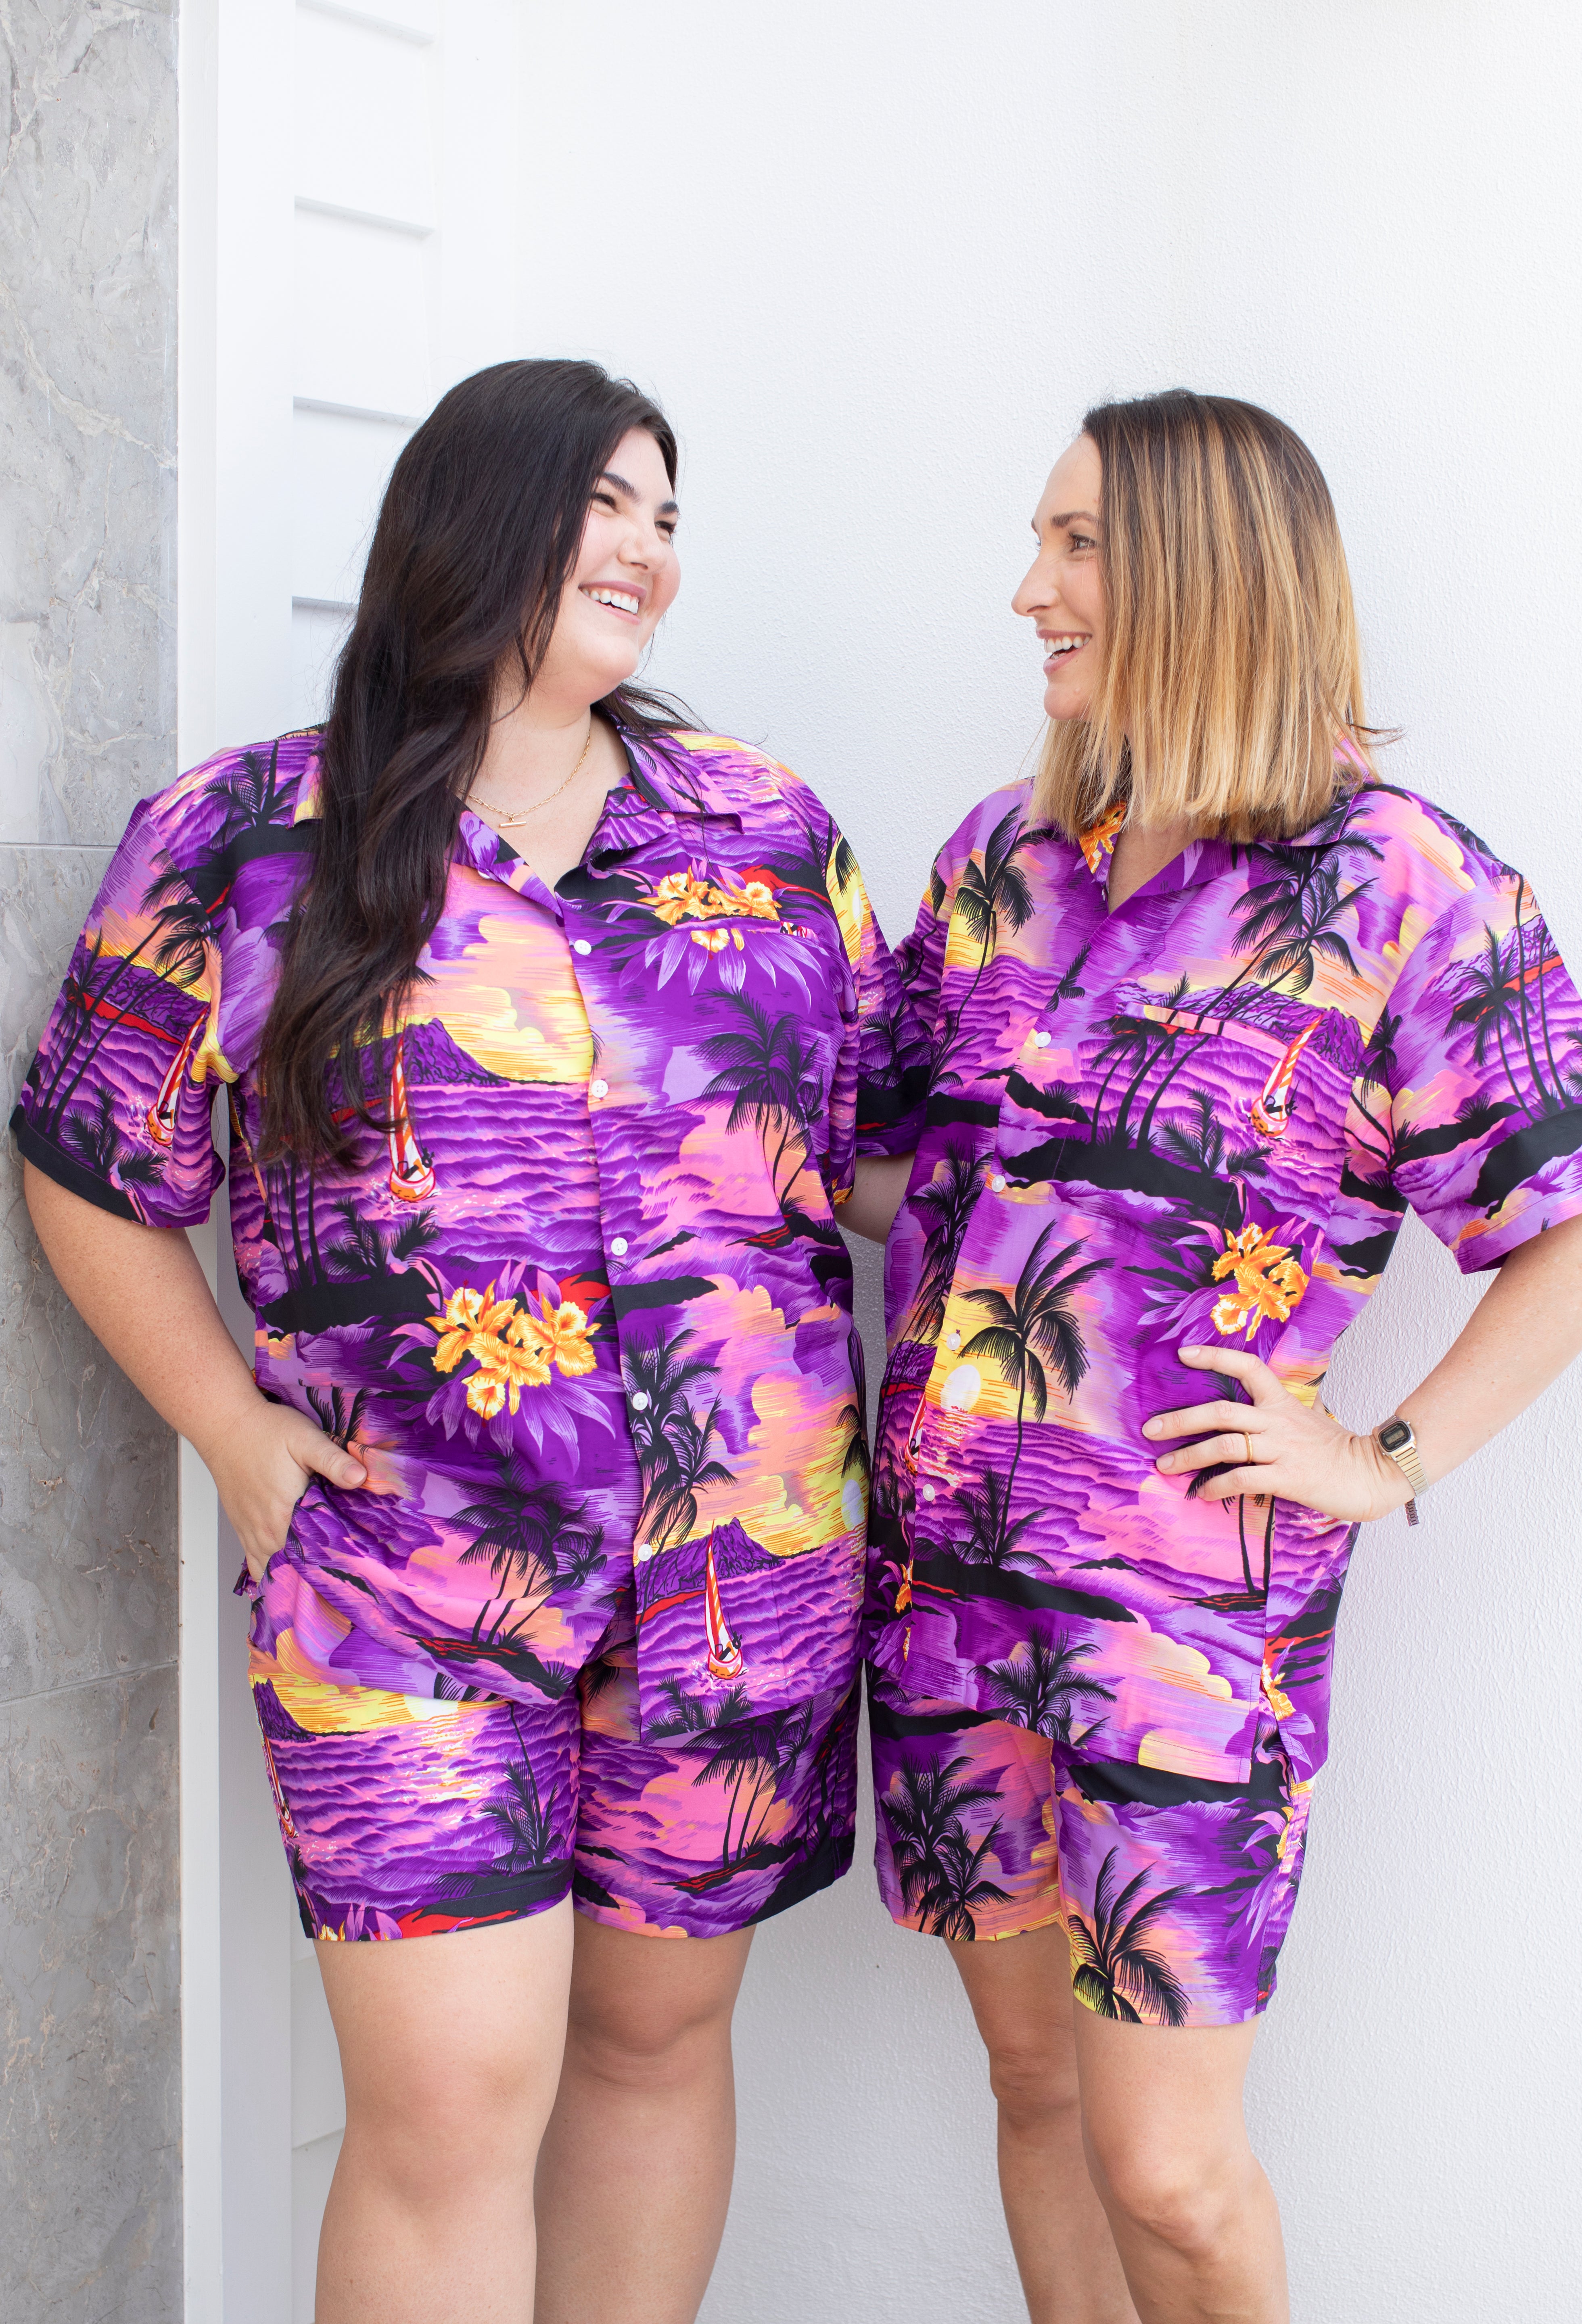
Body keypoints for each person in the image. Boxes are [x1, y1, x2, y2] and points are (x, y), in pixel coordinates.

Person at [15, 357, 924, 2324]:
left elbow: (883, 1158)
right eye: (611, 502)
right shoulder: (245, 835)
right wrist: (231, 1434)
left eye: (671, 516)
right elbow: (89, 1164)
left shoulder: (766, 829)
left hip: (739, 1574)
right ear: (476, 510)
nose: (651, 549)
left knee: (656, 2050)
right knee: (446, 2105)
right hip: (404, 1579)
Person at [856, 391, 1582, 2324]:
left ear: (1202, 573)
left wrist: (1386, 1456)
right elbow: (888, 1158)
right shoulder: (1002, 856)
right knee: (1033, 2093)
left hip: (1186, 1628)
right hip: (944, 1597)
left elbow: (1567, 1215)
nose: (1031, 591)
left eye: (1076, 544)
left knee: (1170, 2173)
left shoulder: (1408, 887)